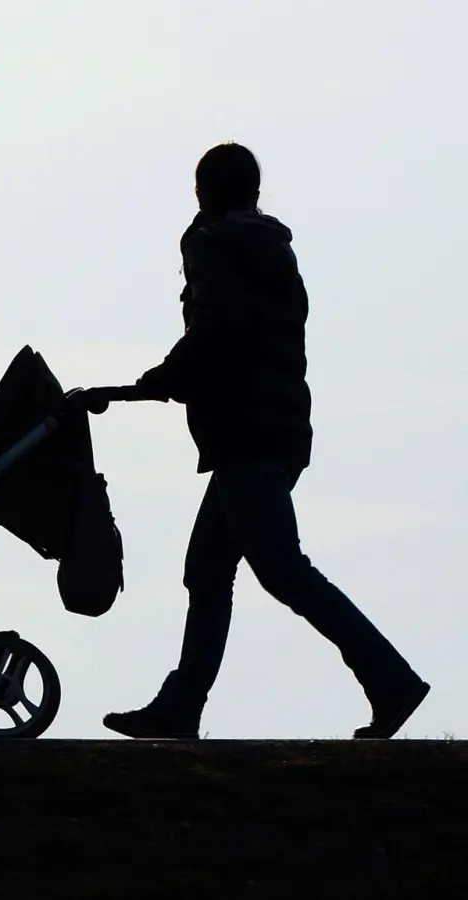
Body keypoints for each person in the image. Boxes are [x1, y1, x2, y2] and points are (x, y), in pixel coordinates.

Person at [97, 143, 429, 740]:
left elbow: (217, 330)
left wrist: (159, 381)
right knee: (208, 570)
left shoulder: (214, 245)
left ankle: (391, 680)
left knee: (282, 570)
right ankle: (181, 706)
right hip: (278, 427)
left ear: (203, 191)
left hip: (245, 432)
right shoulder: (271, 249)